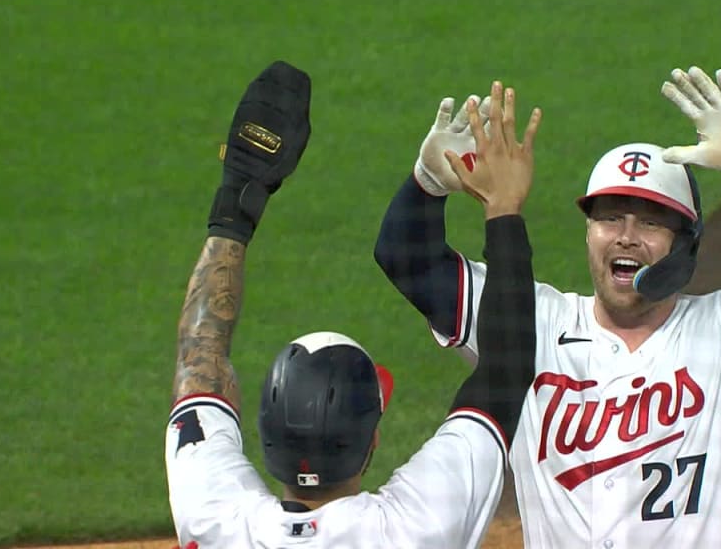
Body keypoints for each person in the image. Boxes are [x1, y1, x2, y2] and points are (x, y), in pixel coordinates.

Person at [374, 66, 721, 548]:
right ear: (588, 234)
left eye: (650, 223)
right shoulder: (524, 327)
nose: (626, 238)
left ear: (686, 244)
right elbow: (409, 262)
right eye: (609, 218)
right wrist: (427, 182)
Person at [164, 63, 545, 549]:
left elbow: (199, 353)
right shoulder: (412, 528)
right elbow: (507, 371)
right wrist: (502, 205)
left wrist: (235, 205)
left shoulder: (216, 519)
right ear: (372, 443)